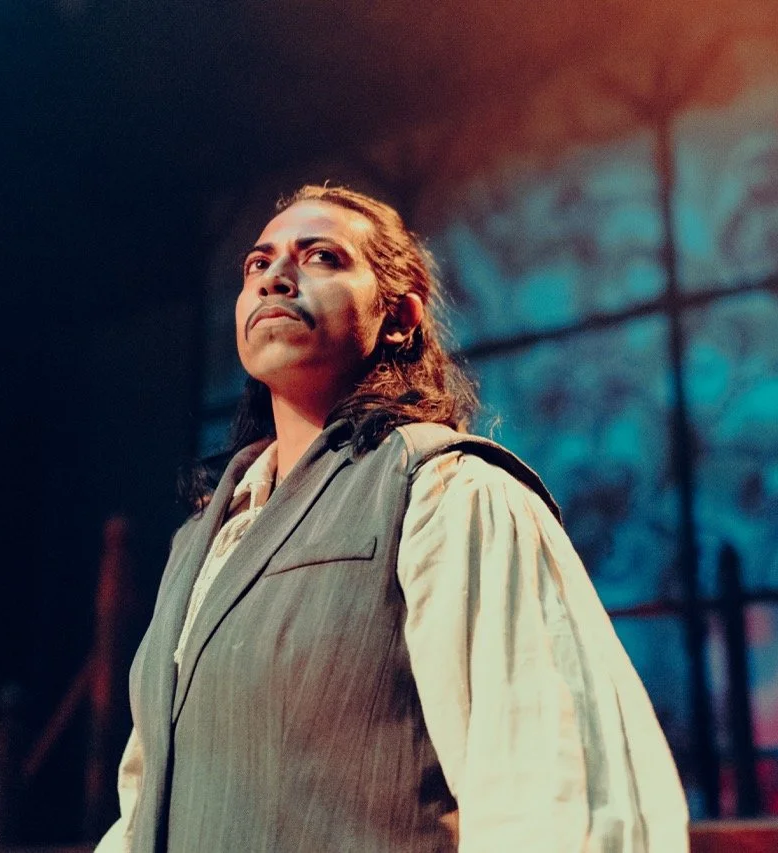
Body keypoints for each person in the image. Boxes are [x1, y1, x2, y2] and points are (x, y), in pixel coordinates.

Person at [96, 185, 689, 852]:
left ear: (401, 317)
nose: (275, 277)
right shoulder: (200, 542)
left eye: (320, 256)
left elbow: (555, 794)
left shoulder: (449, 492)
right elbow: (145, 805)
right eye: (256, 265)